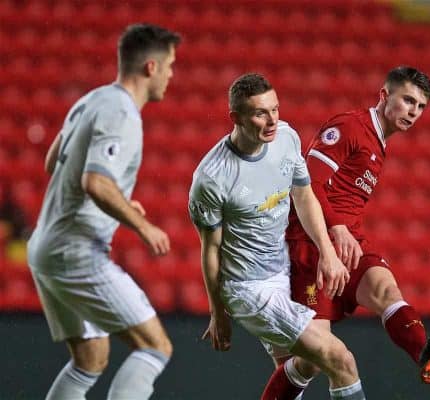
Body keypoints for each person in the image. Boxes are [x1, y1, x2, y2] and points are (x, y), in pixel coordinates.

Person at [262, 66, 430, 398]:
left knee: (386, 290)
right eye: (408, 100)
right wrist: (335, 227)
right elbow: (306, 182)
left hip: (349, 240)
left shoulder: (379, 143)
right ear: (384, 95)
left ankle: (425, 354)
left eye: (420, 106)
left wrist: (343, 230)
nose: (413, 111)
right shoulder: (350, 127)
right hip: (311, 243)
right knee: (314, 359)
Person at [189, 73, 367, 400]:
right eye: (260, 113)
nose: (272, 120)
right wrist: (218, 312)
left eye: (275, 109)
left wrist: (326, 252)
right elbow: (210, 251)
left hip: (282, 270)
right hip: (248, 289)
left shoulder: (286, 138)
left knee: (305, 365)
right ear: (236, 118)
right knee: (339, 359)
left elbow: (304, 196)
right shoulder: (212, 178)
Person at [26, 24, 180, 400]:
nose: (172, 75)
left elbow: (53, 163)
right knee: (155, 346)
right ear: (150, 67)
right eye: (170, 65)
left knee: (90, 359)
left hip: (44, 247)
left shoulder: (91, 100)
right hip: (76, 252)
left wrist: (122, 202)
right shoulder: (123, 114)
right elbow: (94, 183)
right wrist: (143, 226)